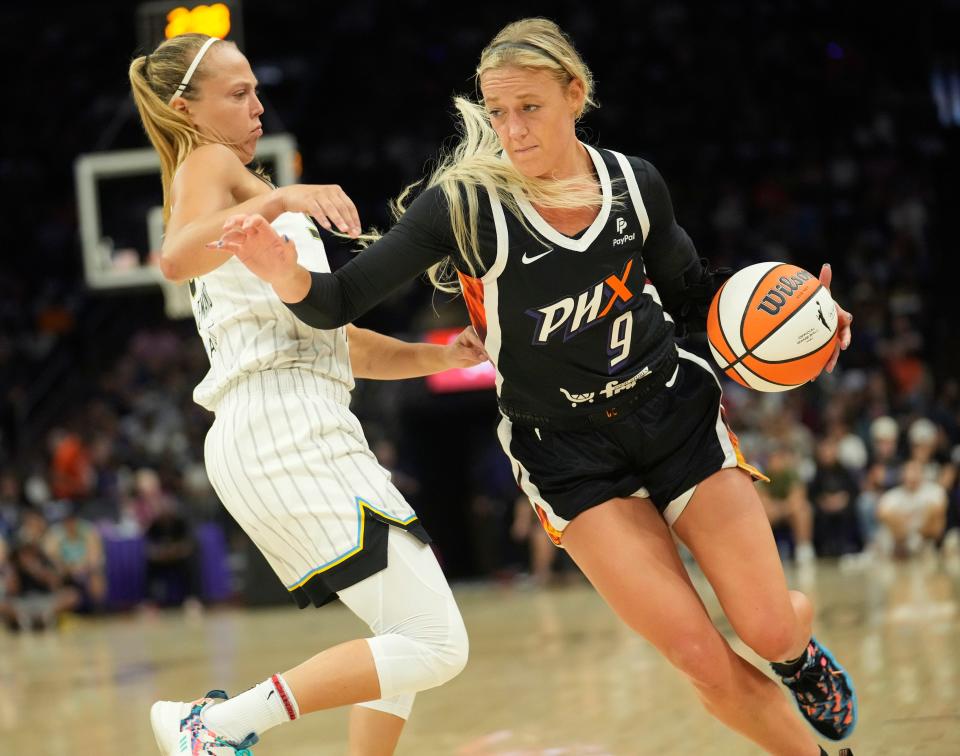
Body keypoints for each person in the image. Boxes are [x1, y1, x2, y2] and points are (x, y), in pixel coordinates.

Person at [214, 17, 858, 756]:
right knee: (699, 658)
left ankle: (796, 656)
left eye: (530, 109)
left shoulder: (633, 184)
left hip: (672, 411)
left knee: (769, 626)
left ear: (575, 94)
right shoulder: (464, 204)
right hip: (567, 453)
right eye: (497, 113)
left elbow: (696, 299)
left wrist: (804, 319)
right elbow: (334, 304)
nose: (512, 130)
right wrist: (282, 270)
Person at [129, 33, 480, 755]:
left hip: (293, 415)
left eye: (257, 88)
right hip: (280, 425)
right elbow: (173, 255)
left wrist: (445, 354)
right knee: (436, 643)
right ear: (184, 109)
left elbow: (338, 344)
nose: (258, 105)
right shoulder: (209, 160)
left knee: (406, 635)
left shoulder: (244, 190)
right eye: (237, 94)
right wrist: (287, 195)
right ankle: (212, 726)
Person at [877, 459, 948, 557]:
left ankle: (920, 546)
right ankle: (908, 547)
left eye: (916, 471)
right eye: (909, 471)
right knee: (888, 517)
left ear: (922, 474)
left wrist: (918, 529)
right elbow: (882, 514)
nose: (912, 475)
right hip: (900, 538)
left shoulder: (935, 491)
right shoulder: (891, 496)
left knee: (935, 515)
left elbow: (938, 512)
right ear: (902, 475)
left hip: (926, 535)